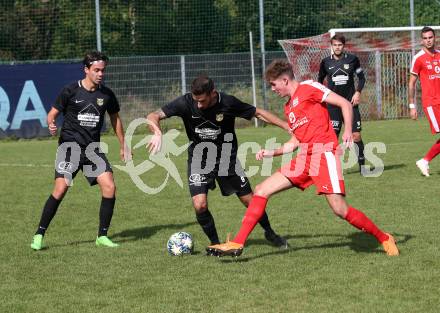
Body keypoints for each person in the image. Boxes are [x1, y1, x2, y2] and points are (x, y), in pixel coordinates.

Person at [208, 59, 399, 257]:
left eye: (273, 85)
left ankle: (384, 238)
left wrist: (348, 130)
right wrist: (270, 152)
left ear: (284, 80)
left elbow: (344, 103)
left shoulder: (309, 87)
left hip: (324, 155)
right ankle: (237, 243)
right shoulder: (288, 108)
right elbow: (294, 143)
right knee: (261, 190)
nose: (273, 89)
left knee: (340, 210)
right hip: (305, 158)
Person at [146, 75, 291, 254]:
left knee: (250, 201)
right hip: (199, 160)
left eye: (202, 100)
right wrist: (157, 131)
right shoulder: (185, 102)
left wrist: (286, 126)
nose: (198, 105)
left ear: (212, 93)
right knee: (200, 205)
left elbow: (258, 112)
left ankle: (270, 233)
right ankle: (215, 244)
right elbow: (153, 115)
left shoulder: (227, 102)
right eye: (195, 100)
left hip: (226, 160)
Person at [30, 51, 130, 250]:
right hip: (70, 148)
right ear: (86, 70)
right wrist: (51, 124)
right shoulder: (70, 91)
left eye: (103, 70)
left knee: (110, 186)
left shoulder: (106, 94)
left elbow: (115, 118)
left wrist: (123, 144)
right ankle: (39, 235)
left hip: (92, 150)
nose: (101, 74)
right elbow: (51, 115)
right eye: (96, 70)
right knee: (60, 189)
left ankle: (102, 236)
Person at [318, 34, 366, 174]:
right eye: (335, 45)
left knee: (356, 135)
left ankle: (362, 166)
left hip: (350, 104)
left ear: (343, 46)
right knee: (333, 137)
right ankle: (331, 168)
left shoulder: (352, 60)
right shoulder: (325, 62)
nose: (337, 47)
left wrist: (358, 92)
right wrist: (324, 96)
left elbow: (362, 78)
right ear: (331, 46)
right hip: (333, 105)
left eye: (340, 45)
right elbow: (319, 81)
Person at [409, 26, 440, 177]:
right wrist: (412, 105)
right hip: (431, 103)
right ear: (422, 40)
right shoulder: (418, 58)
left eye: (430, 37)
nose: (428, 40)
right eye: (425, 38)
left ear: (435, 38)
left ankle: (425, 161)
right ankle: (425, 160)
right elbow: (411, 83)